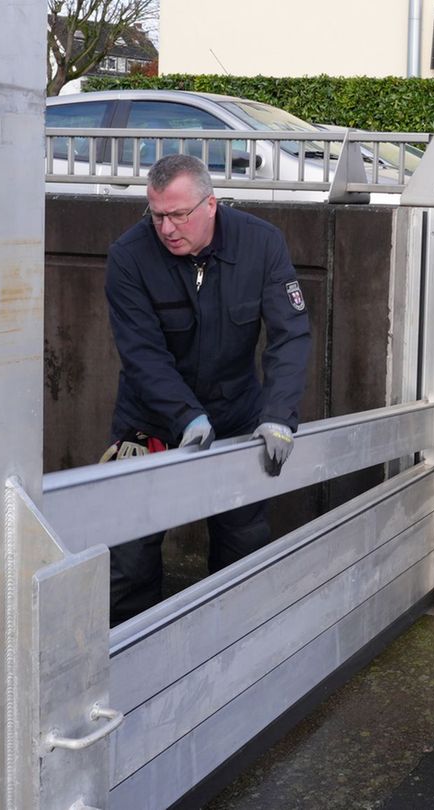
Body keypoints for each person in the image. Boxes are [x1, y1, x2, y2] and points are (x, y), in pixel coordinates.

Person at [103, 153, 312, 625]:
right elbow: (141, 353)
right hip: (151, 421)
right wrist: (184, 416)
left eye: (179, 215)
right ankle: (131, 664)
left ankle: (235, 652)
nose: (166, 228)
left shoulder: (261, 244)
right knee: (130, 557)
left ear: (211, 204)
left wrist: (279, 415)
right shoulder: (129, 257)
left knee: (243, 548)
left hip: (238, 416)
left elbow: (289, 335)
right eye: (156, 215)